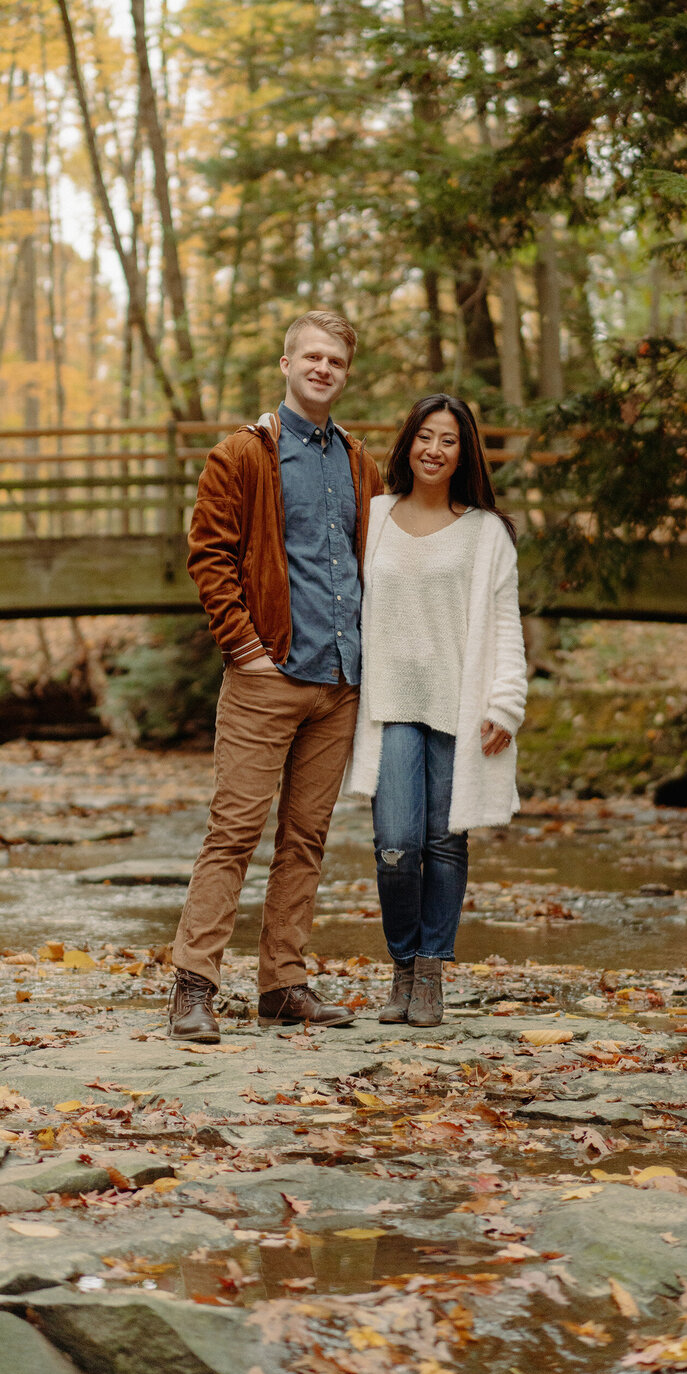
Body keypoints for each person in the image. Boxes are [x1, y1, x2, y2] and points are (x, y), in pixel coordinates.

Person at [169, 310, 384, 1042]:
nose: (324, 369)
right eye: (313, 357)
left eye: (337, 361)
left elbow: (377, 561)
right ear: (286, 364)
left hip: (339, 680)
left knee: (306, 838)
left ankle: (283, 985)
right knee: (233, 833)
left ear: (345, 374)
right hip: (267, 676)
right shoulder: (242, 455)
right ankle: (194, 987)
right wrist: (245, 651)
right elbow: (210, 557)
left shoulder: (360, 462)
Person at [349, 395, 528, 1027]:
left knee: (444, 842)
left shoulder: (487, 533)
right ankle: (401, 961)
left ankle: (429, 973)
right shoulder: (372, 516)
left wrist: (506, 704)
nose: (434, 449)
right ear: (407, 444)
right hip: (390, 704)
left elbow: (506, 624)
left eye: (448, 440)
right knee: (395, 846)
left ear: (464, 452)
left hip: (461, 703)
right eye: (425, 436)